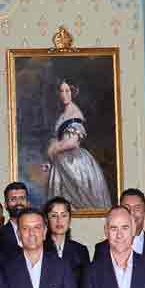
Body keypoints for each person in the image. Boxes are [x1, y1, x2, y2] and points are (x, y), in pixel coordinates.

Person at [45, 79, 113, 209]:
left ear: (73, 92)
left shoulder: (74, 113)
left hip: (74, 162)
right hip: (61, 161)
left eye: (67, 91)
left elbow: (73, 142)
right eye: (61, 91)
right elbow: (61, 138)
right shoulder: (64, 113)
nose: (64, 94)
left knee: (77, 198)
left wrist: (54, 148)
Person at [0, 182, 29, 258]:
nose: (18, 203)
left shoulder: (39, 232)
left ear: (28, 203)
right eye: (13, 199)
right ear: (6, 205)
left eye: (22, 198)